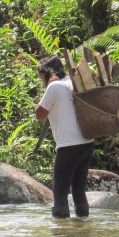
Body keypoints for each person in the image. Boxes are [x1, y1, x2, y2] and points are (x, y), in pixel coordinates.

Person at [34, 54, 94, 218]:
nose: (41, 80)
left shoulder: (54, 87)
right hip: (87, 144)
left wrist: (48, 88)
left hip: (68, 146)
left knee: (60, 193)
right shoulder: (73, 82)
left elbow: (39, 114)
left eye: (40, 77)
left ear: (46, 73)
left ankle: (61, 231)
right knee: (79, 191)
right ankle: (83, 228)